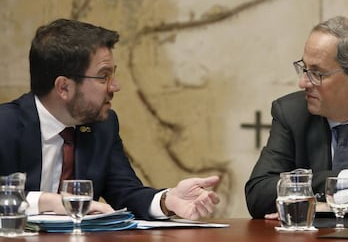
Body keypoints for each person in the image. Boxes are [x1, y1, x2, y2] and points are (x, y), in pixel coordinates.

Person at [0, 18, 220, 220]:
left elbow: (125, 192)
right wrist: (48, 202)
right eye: (104, 76)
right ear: (64, 87)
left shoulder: (102, 126)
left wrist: (167, 201)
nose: (115, 86)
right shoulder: (5, 125)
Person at [245, 16, 348, 220]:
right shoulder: (292, 113)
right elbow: (258, 194)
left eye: (317, 73)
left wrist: (329, 205)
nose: (303, 83)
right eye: (304, 68)